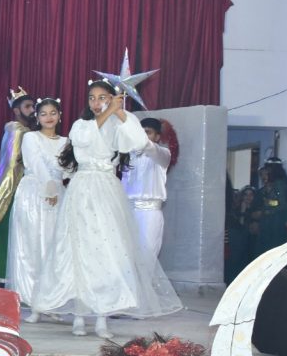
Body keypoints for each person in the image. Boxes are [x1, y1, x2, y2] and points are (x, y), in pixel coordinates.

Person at [34, 79, 182, 338]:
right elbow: (84, 140)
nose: (96, 103)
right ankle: (79, 315)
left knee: (107, 251)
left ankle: (102, 317)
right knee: (78, 249)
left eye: (102, 97)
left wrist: (120, 112)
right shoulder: (81, 125)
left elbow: (138, 142)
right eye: (92, 98)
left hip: (107, 189)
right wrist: (108, 111)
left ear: (113, 98)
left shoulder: (119, 122)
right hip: (82, 188)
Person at [7, 98, 66, 320]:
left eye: (53, 113)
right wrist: (49, 189)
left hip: (58, 195)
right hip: (33, 194)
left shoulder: (67, 142)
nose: (49, 117)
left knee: (53, 248)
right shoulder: (31, 138)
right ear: (37, 117)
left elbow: (68, 169)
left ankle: (51, 302)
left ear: (59, 115)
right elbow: (36, 164)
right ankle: (34, 303)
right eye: (43, 114)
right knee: (32, 247)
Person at [0, 87, 35, 286]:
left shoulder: (24, 131)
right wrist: (9, 190)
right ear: (17, 110)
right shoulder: (17, 130)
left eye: (33, 106)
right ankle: (4, 277)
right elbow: (13, 164)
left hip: (19, 187)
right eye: (28, 107)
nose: (32, 110)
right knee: (8, 232)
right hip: (13, 188)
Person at [120, 117, 173, 261]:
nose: (143, 136)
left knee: (146, 258)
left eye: (147, 132)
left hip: (149, 214)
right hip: (127, 212)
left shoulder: (163, 154)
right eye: (140, 132)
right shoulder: (128, 155)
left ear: (157, 136)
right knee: (125, 258)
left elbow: (148, 147)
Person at [256, 158, 287, 255]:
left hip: (276, 220)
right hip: (274, 220)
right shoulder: (274, 184)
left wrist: (268, 204)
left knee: (274, 249)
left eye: (268, 169)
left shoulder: (279, 183)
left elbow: (281, 204)